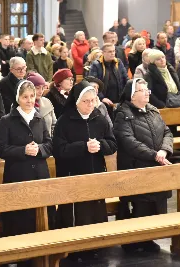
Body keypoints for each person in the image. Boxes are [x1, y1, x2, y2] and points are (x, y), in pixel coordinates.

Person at [53, 80, 117, 260]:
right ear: (76, 102)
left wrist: (101, 145)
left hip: (95, 173)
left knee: (95, 210)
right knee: (77, 214)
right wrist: (83, 147)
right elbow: (58, 150)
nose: (90, 105)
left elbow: (112, 144)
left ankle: (96, 245)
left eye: (93, 100)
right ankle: (74, 247)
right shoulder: (64, 121)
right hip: (73, 175)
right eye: (86, 101)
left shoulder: (100, 118)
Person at [0, 79, 53, 267]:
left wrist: (40, 149)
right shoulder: (7, 120)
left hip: (40, 173)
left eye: (32, 96)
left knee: (40, 214)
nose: (29, 100)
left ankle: (41, 251)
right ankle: (21, 255)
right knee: (20, 217)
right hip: (17, 174)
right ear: (18, 98)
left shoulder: (39, 117)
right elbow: (1, 148)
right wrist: (22, 151)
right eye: (25, 97)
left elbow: (49, 143)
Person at [113, 78, 173, 253]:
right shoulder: (122, 114)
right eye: (142, 90)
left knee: (155, 206)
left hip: (156, 165)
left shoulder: (153, 111)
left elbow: (167, 132)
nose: (147, 93)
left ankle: (148, 238)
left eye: (147, 90)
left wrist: (164, 150)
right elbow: (128, 141)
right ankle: (133, 241)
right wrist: (154, 155)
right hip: (136, 167)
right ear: (132, 95)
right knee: (140, 205)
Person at [89, 43, 128, 118]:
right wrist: (102, 98)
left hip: (119, 99)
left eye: (113, 51)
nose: (113, 53)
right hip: (104, 100)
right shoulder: (96, 65)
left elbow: (125, 79)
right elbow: (93, 83)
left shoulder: (118, 62)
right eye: (110, 51)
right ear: (103, 52)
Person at [26, 72, 56, 136]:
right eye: (37, 88)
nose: (41, 91)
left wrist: (51, 142)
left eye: (43, 88)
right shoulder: (21, 104)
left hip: (47, 144)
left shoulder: (47, 102)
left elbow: (54, 125)